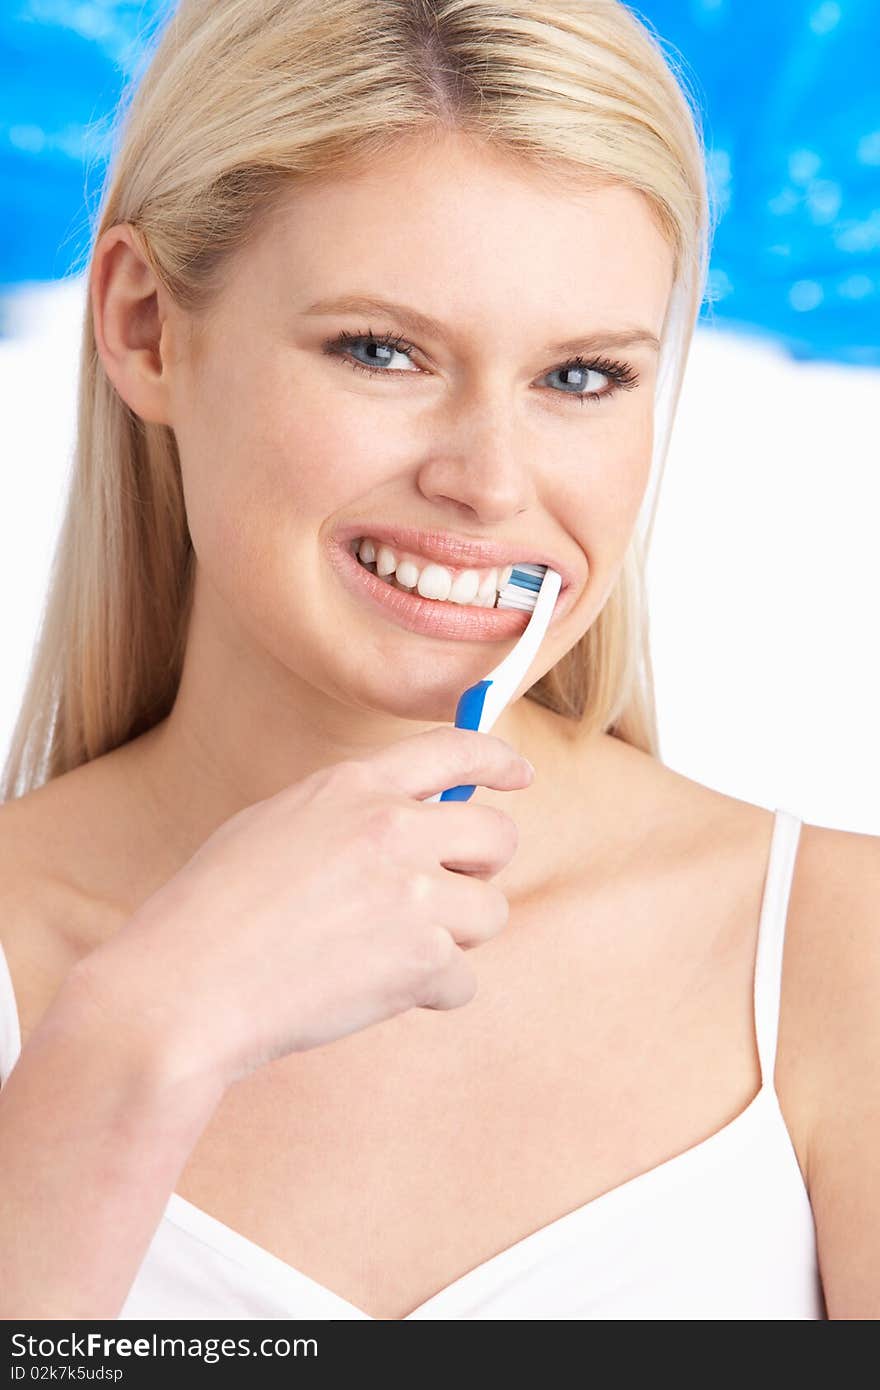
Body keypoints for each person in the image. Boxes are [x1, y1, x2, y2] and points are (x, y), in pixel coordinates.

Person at [0, 0, 875, 1323]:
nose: (489, 480)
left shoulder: (838, 954)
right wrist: (132, 1044)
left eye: (581, 377)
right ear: (142, 326)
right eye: (380, 349)